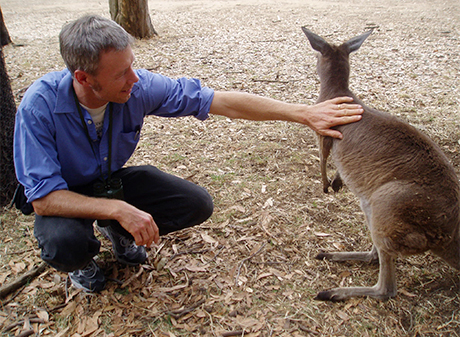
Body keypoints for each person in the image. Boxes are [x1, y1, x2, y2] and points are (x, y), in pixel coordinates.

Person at [13, 15, 363, 292]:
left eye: (133, 66)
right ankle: (84, 261)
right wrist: (119, 208)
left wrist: (303, 113)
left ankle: (116, 231)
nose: (134, 79)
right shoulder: (39, 107)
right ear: (84, 78)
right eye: (121, 73)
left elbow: (220, 101)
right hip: (64, 195)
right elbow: (44, 199)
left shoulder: (137, 87)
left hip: (108, 181)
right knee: (64, 243)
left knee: (195, 203)